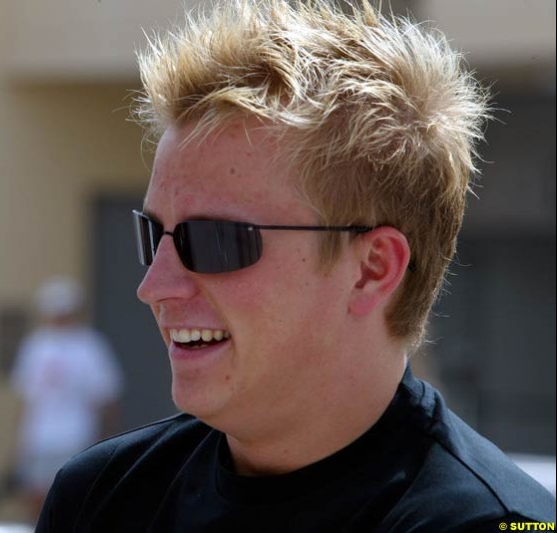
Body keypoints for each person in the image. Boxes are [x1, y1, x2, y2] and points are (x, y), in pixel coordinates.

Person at [35, 1, 556, 532]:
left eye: (215, 241)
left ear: (373, 269)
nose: (154, 286)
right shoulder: (100, 501)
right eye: (154, 235)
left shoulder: (489, 523)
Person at [11, 277, 122, 521]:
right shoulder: (37, 345)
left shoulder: (89, 345)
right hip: (41, 437)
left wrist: (103, 441)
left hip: (76, 436)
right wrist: (21, 441)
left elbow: (105, 400)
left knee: (75, 498)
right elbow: (28, 399)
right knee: (37, 497)